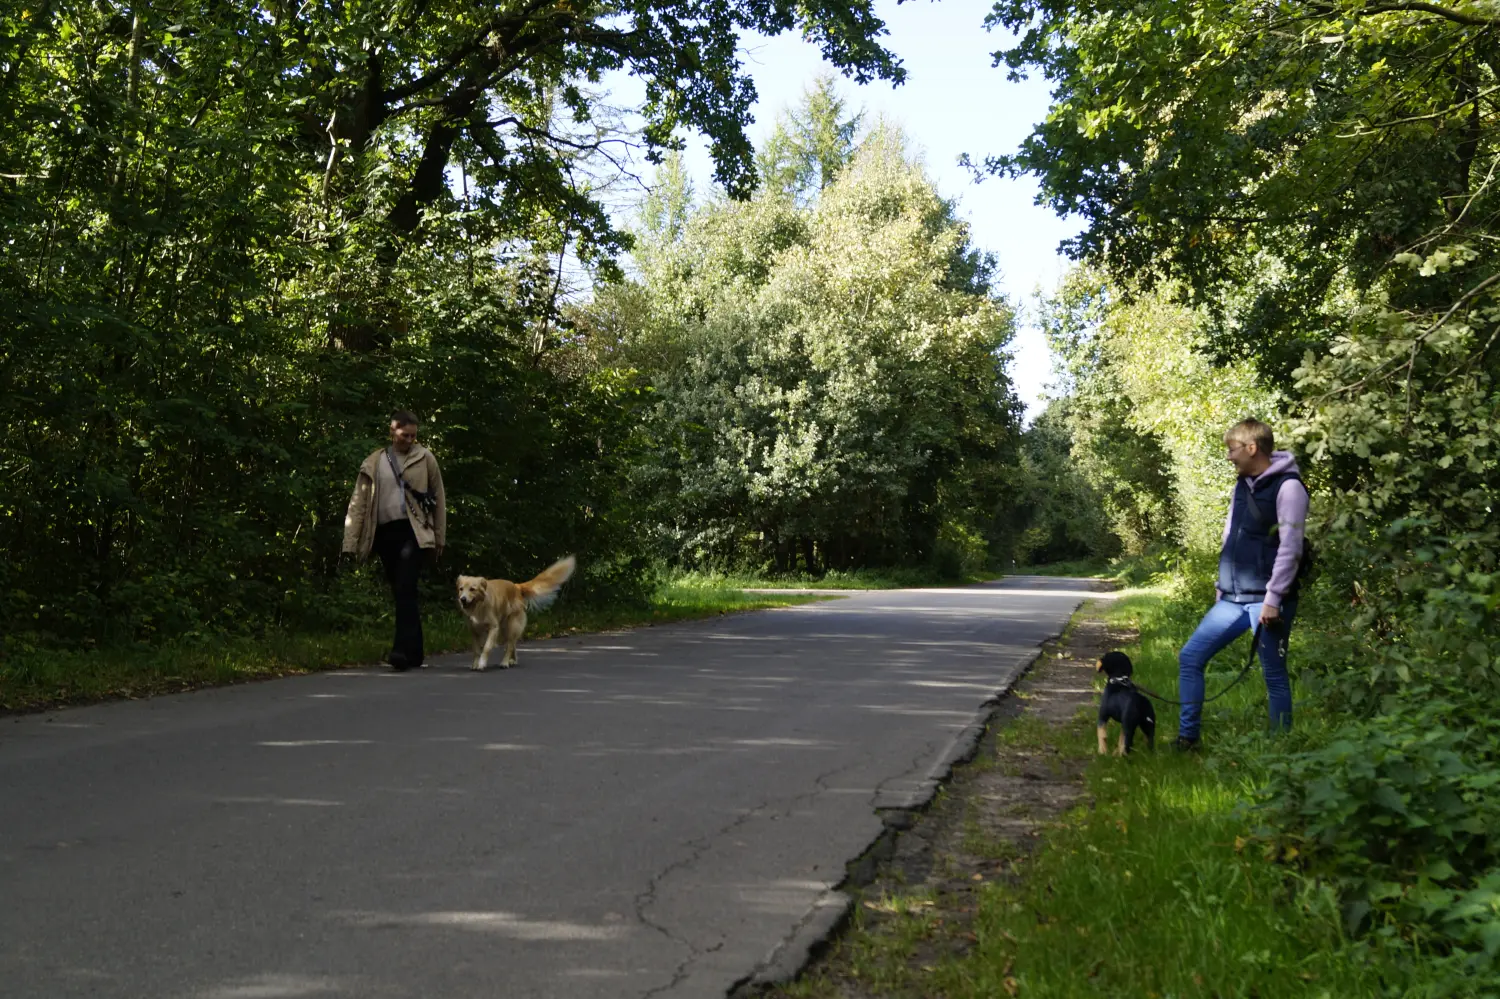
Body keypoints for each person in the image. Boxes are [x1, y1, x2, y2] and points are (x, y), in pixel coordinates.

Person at [1175, 418, 1308, 750]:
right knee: (1190, 658)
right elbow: (1230, 533)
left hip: (1266, 601)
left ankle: (1281, 750)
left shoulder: (1289, 487)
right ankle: (1187, 739)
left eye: (1232, 450)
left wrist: (1273, 599)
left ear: (1252, 448)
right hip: (1232, 598)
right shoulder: (1242, 484)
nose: (1229, 457)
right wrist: (1222, 584)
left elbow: (1291, 548)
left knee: (1273, 675)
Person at [342, 410, 447, 671]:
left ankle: (400, 651)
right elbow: (358, 504)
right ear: (392, 431)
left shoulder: (425, 458)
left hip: (415, 531)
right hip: (384, 534)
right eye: (404, 435)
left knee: (405, 586)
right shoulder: (374, 462)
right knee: (402, 592)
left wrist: (439, 538)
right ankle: (416, 652)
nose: (409, 440)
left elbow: (440, 498)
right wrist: (349, 543)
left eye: (413, 436)